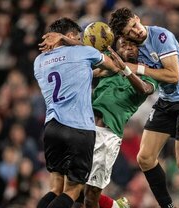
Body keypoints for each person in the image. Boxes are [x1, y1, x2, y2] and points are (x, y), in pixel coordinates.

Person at [38, 34, 158, 208]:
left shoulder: (146, 74)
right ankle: (114, 206)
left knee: (90, 196)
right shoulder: (109, 67)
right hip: (83, 129)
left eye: (132, 44)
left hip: (107, 135)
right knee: (69, 188)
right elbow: (84, 53)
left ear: (140, 50)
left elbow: (145, 89)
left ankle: (114, 206)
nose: (127, 47)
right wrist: (64, 40)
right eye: (123, 44)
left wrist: (125, 69)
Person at [109, 8, 179, 208]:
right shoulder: (131, 48)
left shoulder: (161, 36)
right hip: (167, 101)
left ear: (137, 18)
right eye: (130, 32)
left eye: (135, 25)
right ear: (124, 36)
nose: (136, 31)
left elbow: (174, 76)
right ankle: (167, 206)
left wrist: (136, 69)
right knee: (144, 158)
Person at [34, 17, 126, 208]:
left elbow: (76, 74)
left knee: (55, 189)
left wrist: (64, 40)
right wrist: (72, 43)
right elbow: (115, 67)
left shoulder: (39, 61)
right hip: (79, 130)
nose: (80, 41)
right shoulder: (83, 53)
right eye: (77, 37)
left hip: (52, 127)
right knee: (74, 191)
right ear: (67, 37)